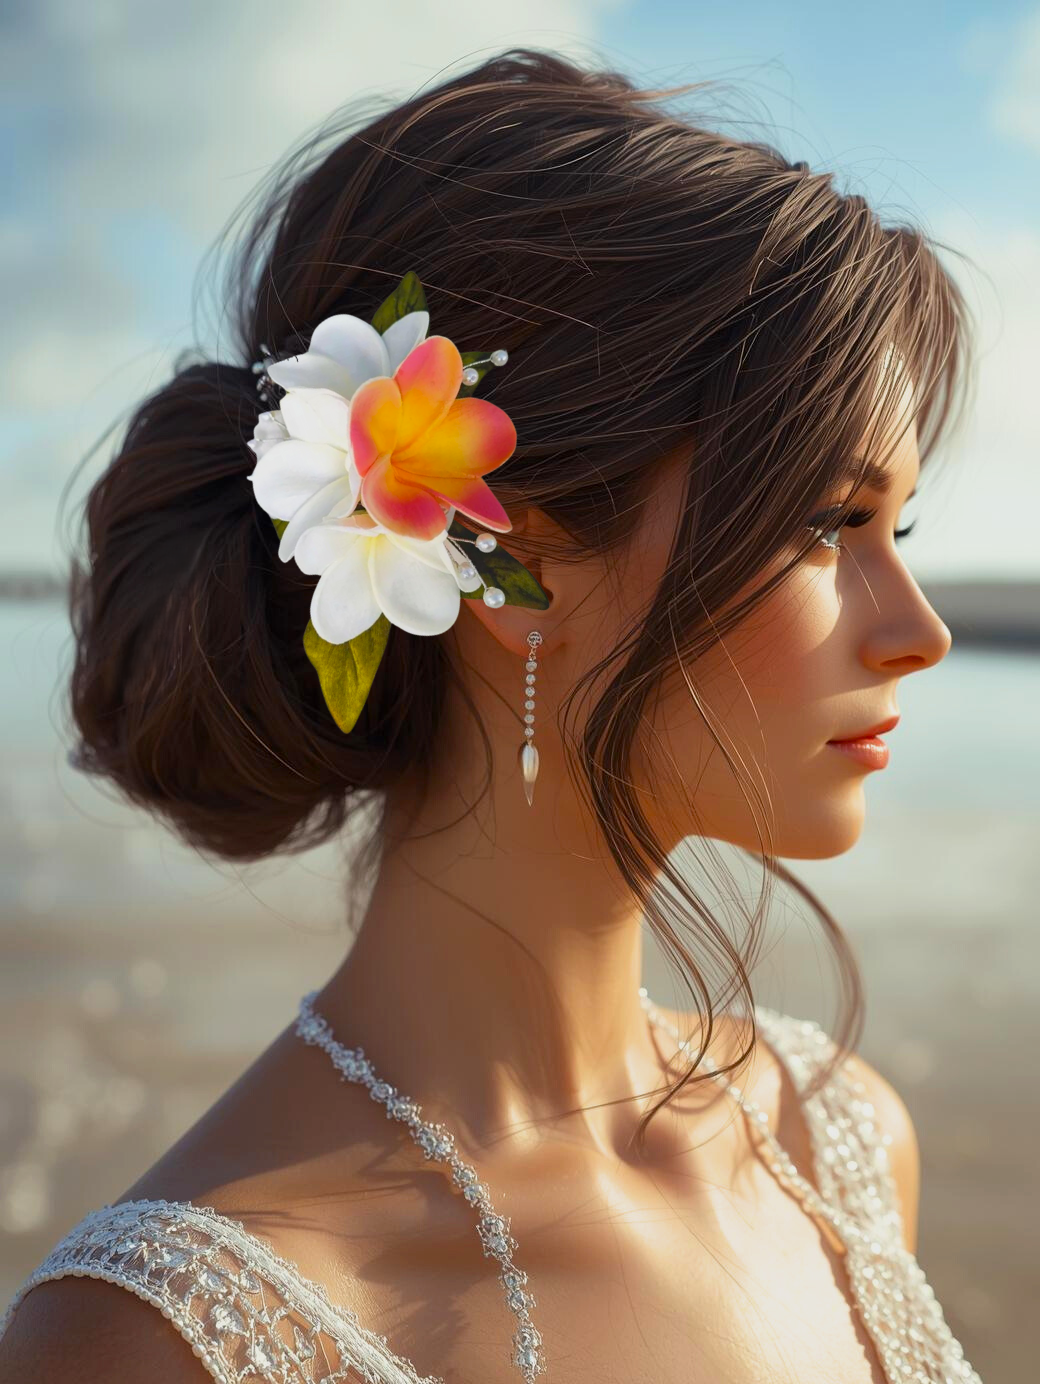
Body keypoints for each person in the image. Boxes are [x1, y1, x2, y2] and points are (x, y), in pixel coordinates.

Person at [0, 46, 981, 1384]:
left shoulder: (840, 1143)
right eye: (828, 524)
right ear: (511, 561)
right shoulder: (157, 1343)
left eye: (900, 528)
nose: (917, 632)